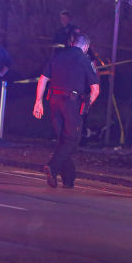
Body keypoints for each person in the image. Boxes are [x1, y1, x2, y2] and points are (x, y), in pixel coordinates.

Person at [33, 33, 100, 188]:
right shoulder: (85, 60)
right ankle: (53, 166)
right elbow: (95, 89)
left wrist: (38, 101)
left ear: (72, 43)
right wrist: (86, 105)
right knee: (72, 140)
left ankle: (68, 179)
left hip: (54, 101)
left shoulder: (57, 56)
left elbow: (43, 79)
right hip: (72, 103)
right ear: (85, 47)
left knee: (63, 140)